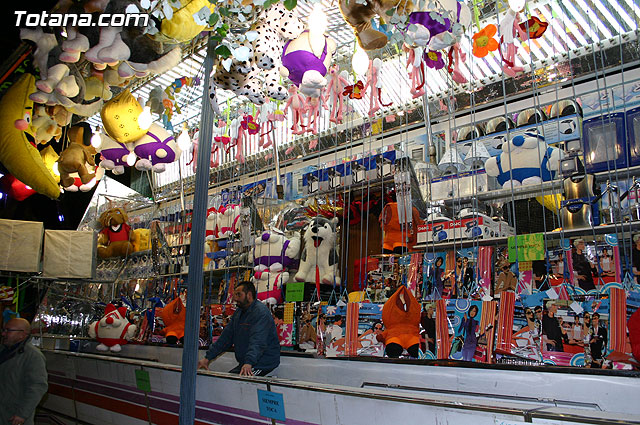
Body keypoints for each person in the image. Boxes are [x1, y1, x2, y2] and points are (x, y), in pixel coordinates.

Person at [198, 281, 280, 376]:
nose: (235, 298)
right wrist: (207, 358)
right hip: (249, 362)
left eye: (238, 294)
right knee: (230, 380)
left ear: (249, 295)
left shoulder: (261, 313)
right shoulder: (239, 313)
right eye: (235, 295)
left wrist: (249, 362)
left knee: (240, 381)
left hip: (263, 363)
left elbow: (258, 341)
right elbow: (226, 338)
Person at [0, 318, 48, 425]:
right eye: (3, 330)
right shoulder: (3, 351)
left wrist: (22, 414)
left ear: (22, 334)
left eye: (8, 330)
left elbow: (37, 387)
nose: (3, 334)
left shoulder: (33, 356)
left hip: (13, 416)